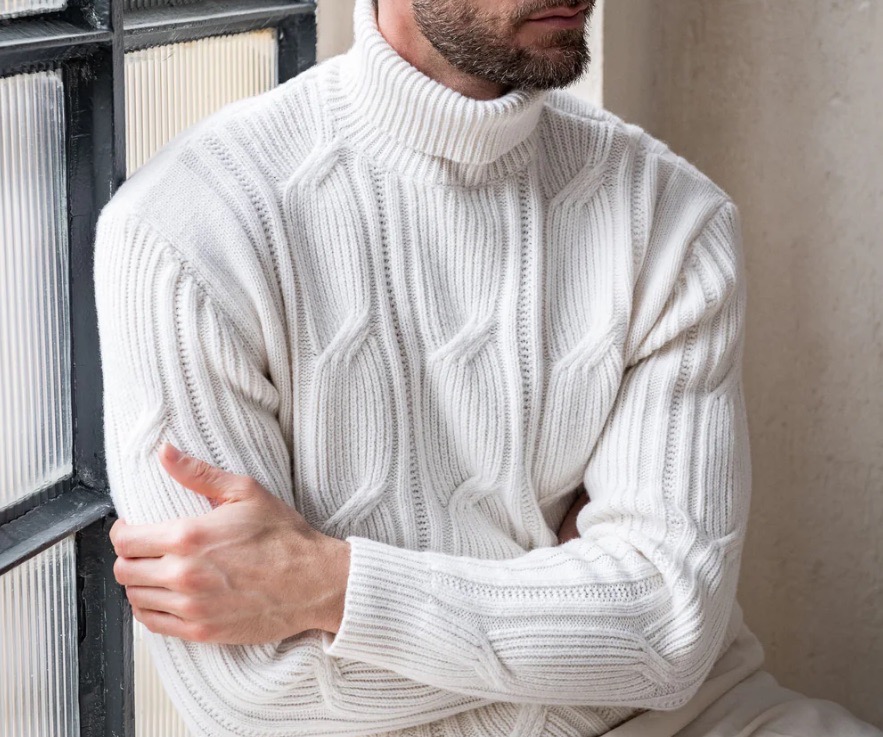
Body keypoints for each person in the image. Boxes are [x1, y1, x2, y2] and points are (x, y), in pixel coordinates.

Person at [93, 0, 882, 735]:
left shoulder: (671, 215)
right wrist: (582, 612)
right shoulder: (185, 230)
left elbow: (671, 629)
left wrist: (331, 586)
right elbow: (250, 688)